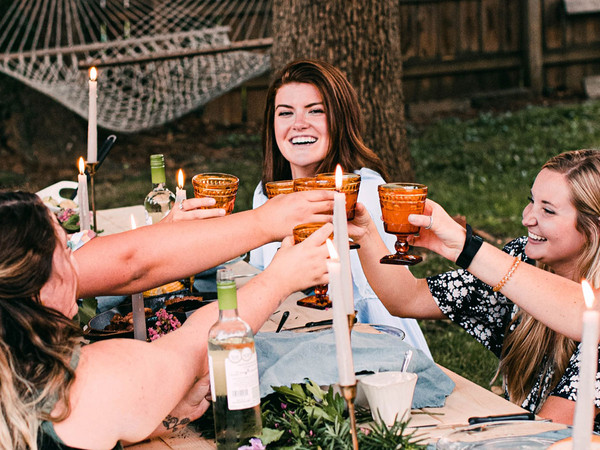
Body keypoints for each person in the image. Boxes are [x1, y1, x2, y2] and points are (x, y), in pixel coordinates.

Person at [0, 190, 334, 450]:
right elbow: (196, 348)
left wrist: (153, 417)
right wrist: (280, 279)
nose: (78, 266)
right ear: (40, 286)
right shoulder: (85, 382)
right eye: (66, 252)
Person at [349, 149, 600, 429]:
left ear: (594, 227)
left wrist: (467, 248)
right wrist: (364, 231)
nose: (527, 218)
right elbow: (408, 298)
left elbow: (548, 430)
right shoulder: (524, 261)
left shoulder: (517, 273)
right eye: (531, 201)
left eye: (548, 210)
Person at [249, 59, 431, 357]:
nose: (298, 123)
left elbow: (371, 302)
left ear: (340, 119)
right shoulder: (267, 194)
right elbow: (259, 275)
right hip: (288, 336)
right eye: (285, 113)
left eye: (315, 110)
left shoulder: (364, 193)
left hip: (369, 348)